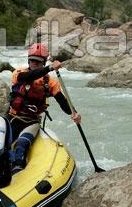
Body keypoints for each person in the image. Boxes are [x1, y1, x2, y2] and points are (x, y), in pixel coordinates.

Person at [8, 43, 81, 171]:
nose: (34, 64)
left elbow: (62, 101)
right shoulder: (19, 73)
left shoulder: (50, 82)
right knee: (0, 144)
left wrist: (73, 113)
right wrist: (49, 68)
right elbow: (30, 76)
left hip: (31, 122)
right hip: (13, 117)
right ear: (28, 60)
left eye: (38, 61)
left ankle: (18, 169)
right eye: (32, 60)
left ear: (43, 62)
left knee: (22, 144)